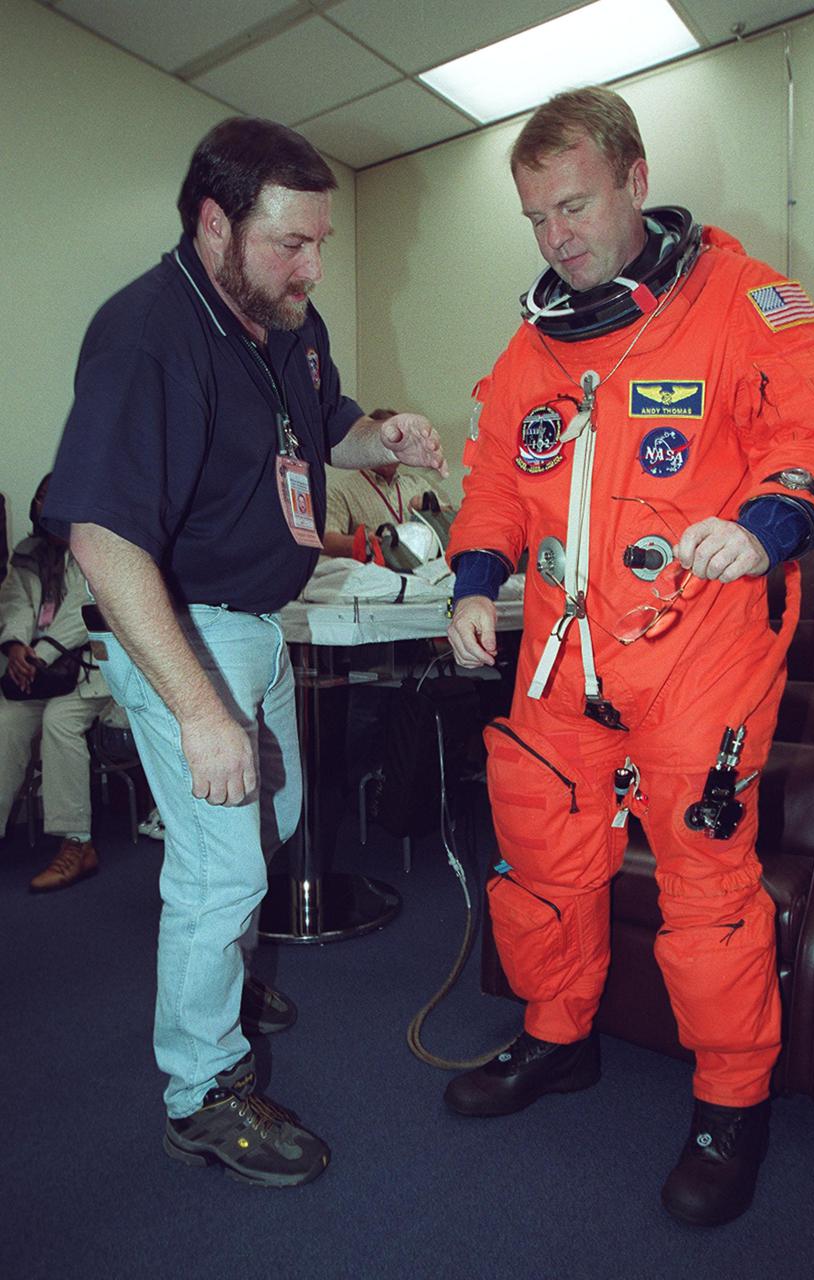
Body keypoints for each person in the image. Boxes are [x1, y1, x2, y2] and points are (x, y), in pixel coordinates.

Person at [444, 86, 814, 1227]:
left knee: (704, 885)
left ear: (634, 178)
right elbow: (495, 478)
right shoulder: (532, 346)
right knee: (542, 854)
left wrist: (766, 524)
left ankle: (730, 1103)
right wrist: (474, 579)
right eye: (536, 217)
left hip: (698, 645)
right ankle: (556, 1036)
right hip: (560, 656)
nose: (555, 235)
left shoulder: (740, 300)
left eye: (573, 205)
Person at [41, 116, 446, 1190]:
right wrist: (199, 711)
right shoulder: (145, 335)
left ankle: (219, 971)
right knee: (219, 872)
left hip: (260, 620)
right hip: (182, 628)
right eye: (290, 243)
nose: (312, 267)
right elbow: (101, 539)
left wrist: (381, 436)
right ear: (215, 224)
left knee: (274, 820)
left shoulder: (285, 319)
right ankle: (201, 1089)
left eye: (320, 242)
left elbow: (325, 425)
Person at [0, 474, 111, 890]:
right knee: (5, 722)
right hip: (37, 674)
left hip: (90, 674)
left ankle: (77, 844)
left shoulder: (96, 548)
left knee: (60, 721)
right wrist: (16, 647)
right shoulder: (28, 554)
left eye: (54, 496)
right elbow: (16, 603)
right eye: (40, 497)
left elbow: (84, 609)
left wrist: (39, 655)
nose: (44, 504)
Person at [322, 408, 453, 559]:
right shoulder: (340, 491)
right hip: (372, 570)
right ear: (368, 443)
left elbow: (451, 524)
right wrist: (367, 545)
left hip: (423, 568)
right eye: (385, 440)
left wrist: (433, 511)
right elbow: (327, 540)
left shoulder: (418, 485)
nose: (391, 447)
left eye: (398, 441)